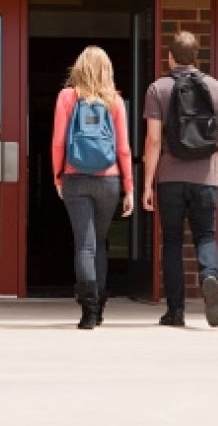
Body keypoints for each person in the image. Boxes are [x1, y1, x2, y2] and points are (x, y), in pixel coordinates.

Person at [141, 31, 218, 328]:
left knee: (171, 242)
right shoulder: (215, 87)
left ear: (170, 56)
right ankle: (209, 275)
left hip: (170, 179)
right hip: (205, 176)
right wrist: (217, 173)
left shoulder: (159, 88)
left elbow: (154, 140)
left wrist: (147, 184)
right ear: (196, 56)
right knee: (205, 235)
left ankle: (175, 311)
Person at [50, 46, 134, 329]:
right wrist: (129, 187)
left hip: (75, 177)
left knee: (84, 246)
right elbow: (123, 148)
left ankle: (88, 312)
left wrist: (58, 176)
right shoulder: (115, 102)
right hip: (108, 180)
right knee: (99, 243)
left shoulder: (67, 97)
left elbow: (59, 142)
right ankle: (99, 306)